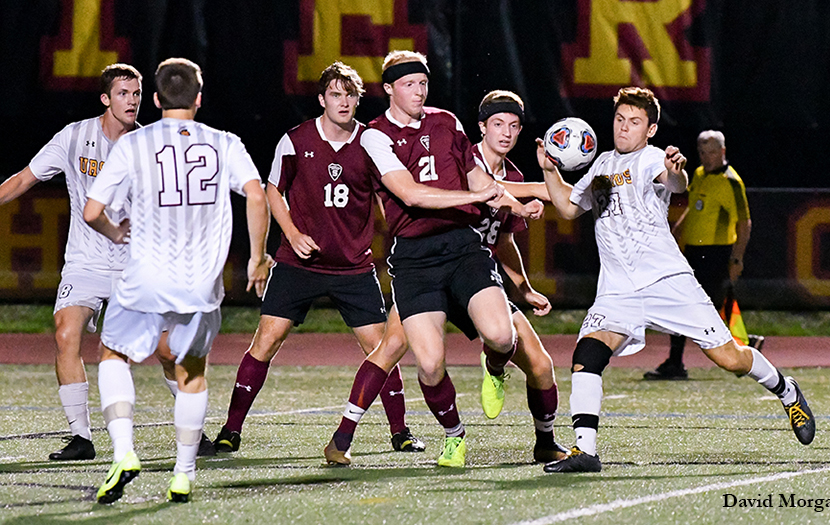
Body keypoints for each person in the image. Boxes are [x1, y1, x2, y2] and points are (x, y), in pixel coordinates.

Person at [536, 87, 815, 473]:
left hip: (667, 280)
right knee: (587, 356)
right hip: (617, 290)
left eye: (634, 122)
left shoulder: (653, 159)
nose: (624, 128)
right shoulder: (599, 165)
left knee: (729, 359)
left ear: (650, 130)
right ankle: (586, 451)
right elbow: (567, 208)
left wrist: (677, 170)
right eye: (620, 120)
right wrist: (550, 171)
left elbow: (676, 183)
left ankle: (787, 392)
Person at [322, 50, 543, 469]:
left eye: (423, 83)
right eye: (409, 84)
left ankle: (495, 368)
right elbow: (409, 194)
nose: (419, 91)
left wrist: (515, 205)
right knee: (428, 363)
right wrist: (476, 196)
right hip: (415, 258)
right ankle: (455, 437)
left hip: (462, 246)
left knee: (500, 337)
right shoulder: (374, 135)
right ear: (388, 89)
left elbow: (480, 178)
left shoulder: (447, 121)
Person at [0, 64, 213, 461]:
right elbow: (25, 179)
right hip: (86, 263)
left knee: (167, 351)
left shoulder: (151, 146)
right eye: (122, 94)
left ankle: (195, 430)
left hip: (136, 266)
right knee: (66, 332)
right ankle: (81, 438)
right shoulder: (73, 137)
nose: (131, 101)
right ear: (105, 99)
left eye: (136, 94)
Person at [83, 57, 271, 503]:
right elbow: (257, 194)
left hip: (144, 277)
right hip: (201, 284)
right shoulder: (225, 143)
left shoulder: (133, 144)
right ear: (199, 98)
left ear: (154, 99)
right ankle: (183, 474)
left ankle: (124, 452)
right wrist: (257, 258)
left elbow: (93, 211)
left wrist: (115, 231)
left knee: (112, 353)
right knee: (192, 374)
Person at [212, 62, 424, 456]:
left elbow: (387, 196)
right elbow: (273, 190)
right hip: (297, 264)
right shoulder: (295, 140)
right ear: (322, 99)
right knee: (266, 340)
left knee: (382, 350)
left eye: (351, 95)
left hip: (353, 267)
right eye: (336, 94)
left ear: (359, 99)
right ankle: (231, 430)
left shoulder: (372, 142)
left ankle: (401, 431)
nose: (343, 102)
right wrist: (291, 233)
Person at [469, 90, 567, 462]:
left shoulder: (513, 175)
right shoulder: (461, 158)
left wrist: (524, 288)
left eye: (514, 126)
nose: (506, 133)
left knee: (541, 366)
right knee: (390, 348)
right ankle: (348, 435)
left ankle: (545, 442)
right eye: (498, 124)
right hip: (440, 271)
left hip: (484, 279)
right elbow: (485, 189)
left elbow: (504, 239)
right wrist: (540, 191)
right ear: (482, 127)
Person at [644, 130, 763, 381]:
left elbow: (744, 223)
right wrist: (679, 230)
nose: (706, 157)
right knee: (687, 305)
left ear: (722, 152)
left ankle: (740, 350)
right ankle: (739, 347)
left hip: (717, 253)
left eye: (710, 152)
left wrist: (737, 259)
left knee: (702, 307)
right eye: (702, 152)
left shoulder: (731, 181)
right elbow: (694, 208)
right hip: (694, 252)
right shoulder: (697, 175)